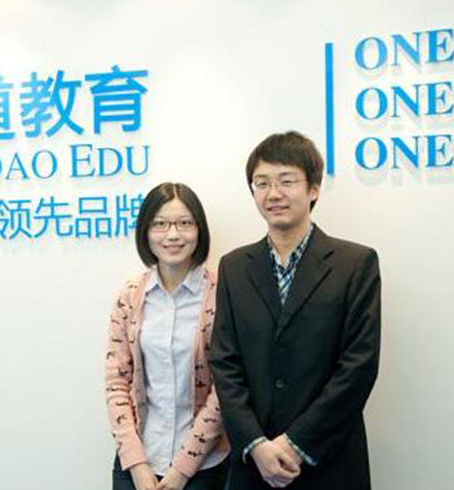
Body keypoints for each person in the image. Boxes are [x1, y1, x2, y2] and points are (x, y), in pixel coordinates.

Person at [210, 131, 381, 489]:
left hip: (329, 463)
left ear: (313, 189)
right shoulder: (234, 267)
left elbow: (358, 366)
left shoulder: (355, 263)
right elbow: (225, 364)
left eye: (286, 181)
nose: (273, 194)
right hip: (254, 468)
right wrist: (256, 444)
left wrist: (295, 443)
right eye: (262, 183)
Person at [105, 182, 230, 490]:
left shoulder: (222, 294)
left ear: (199, 230)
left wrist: (181, 470)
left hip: (204, 466)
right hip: (138, 463)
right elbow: (116, 381)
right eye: (160, 224)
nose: (173, 234)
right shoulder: (130, 295)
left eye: (185, 223)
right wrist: (136, 464)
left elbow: (227, 386)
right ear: (145, 232)